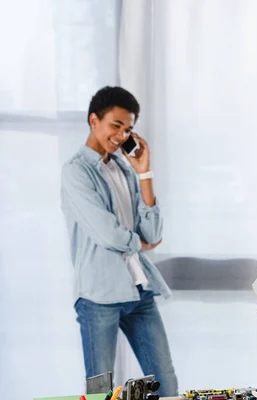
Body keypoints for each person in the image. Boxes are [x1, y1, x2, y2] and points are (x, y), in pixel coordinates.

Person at [61, 86, 178, 396]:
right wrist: (138, 244)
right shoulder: (76, 171)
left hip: (139, 291)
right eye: (116, 125)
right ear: (93, 120)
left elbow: (152, 233)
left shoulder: (125, 170)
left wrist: (144, 172)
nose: (121, 135)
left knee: (167, 386)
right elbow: (107, 232)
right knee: (100, 391)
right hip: (98, 295)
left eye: (128, 129)